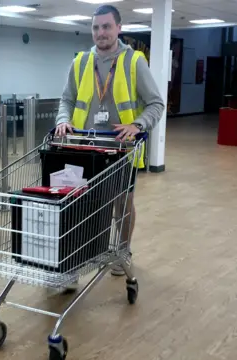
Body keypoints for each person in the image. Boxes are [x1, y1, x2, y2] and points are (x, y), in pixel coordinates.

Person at [55, 4, 164, 278]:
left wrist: (137, 124)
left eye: (106, 26)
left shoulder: (134, 61)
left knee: (122, 204)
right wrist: (62, 120)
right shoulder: (80, 62)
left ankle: (122, 251)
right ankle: (76, 257)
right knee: (80, 204)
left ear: (119, 28)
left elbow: (156, 104)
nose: (100, 32)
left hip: (120, 149)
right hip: (84, 147)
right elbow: (66, 100)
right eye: (95, 27)